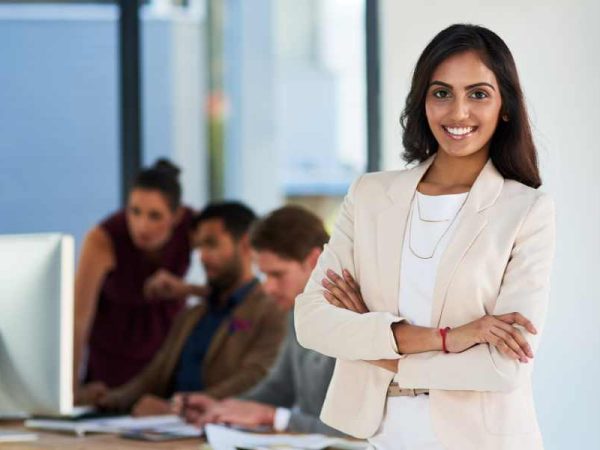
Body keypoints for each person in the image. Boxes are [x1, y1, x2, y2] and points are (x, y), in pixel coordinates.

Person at [294, 24, 555, 450]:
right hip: (384, 437)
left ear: (505, 106)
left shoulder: (526, 210)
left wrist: (372, 340)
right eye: (441, 93)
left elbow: (503, 366)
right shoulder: (370, 195)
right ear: (423, 102)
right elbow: (311, 322)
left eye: (478, 93)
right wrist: (450, 338)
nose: (458, 112)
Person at [97, 201, 287, 416]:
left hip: (215, 430)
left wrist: (180, 408)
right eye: (199, 248)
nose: (203, 257)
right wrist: (105, 400)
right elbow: (153, 375)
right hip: (166, 430)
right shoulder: (191, 315)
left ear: (245, 245)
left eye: (212, 244)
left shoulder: (271, 311)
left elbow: (255, 378)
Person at [172, 206, 345, 436]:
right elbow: (278, 388)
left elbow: (355, 434)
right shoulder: (297, 315)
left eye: (277, 274)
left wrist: (274, 417)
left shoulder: (353, 323)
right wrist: (220, 408)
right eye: (264, 275)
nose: (267, 287)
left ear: (314, 260)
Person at [74, 159, 194, 403]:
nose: (142, 226)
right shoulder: (102, 239)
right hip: (111, 367)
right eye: (135, 211)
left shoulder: (194, 227)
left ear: (177, 215)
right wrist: (69, 390)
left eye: (155, 216)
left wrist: (185, 289)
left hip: (168, 363)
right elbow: (78, 319)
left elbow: (231, 285)